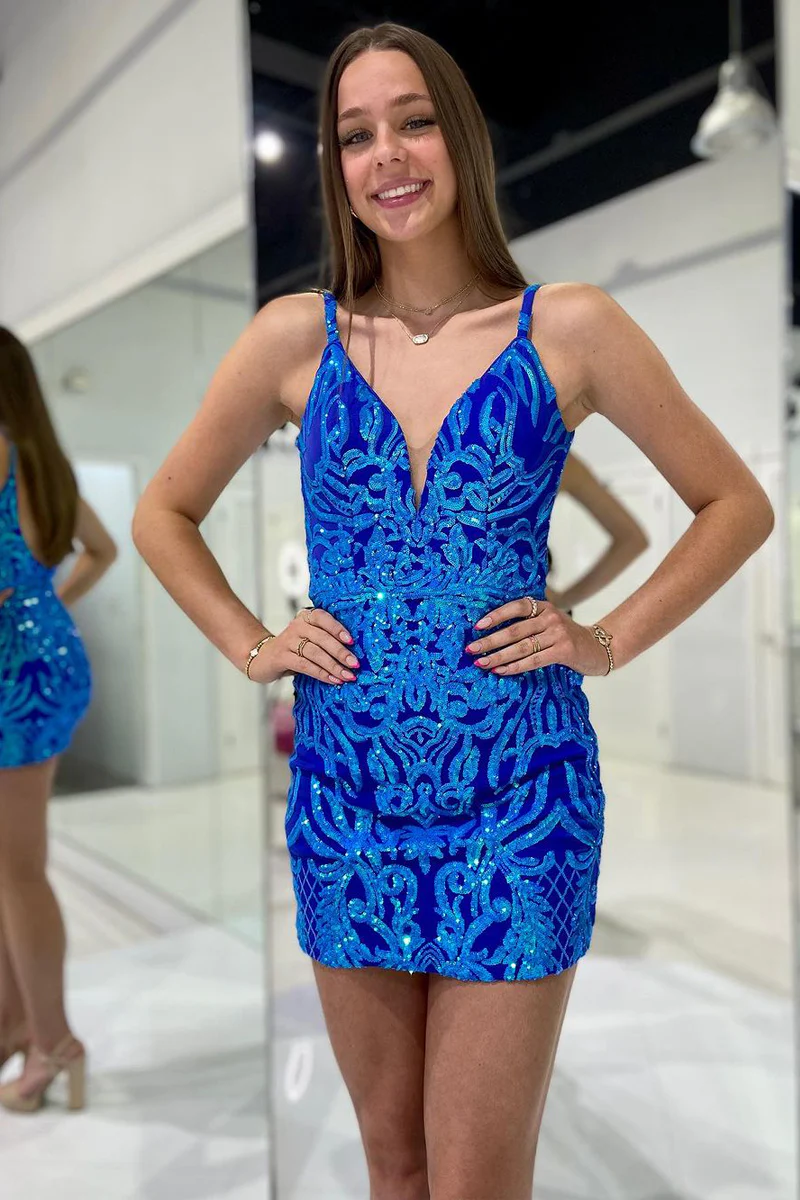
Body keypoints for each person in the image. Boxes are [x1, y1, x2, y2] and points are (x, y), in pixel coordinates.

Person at [132, 22, 774, 1199]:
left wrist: (604, 638)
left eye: (414, 120)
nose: (386, 154)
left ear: (460, 138)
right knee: (395, 1166)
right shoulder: (293, 340)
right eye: (353, 134)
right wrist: (253, 643)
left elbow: (733, 504)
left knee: (476, 1179)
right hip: (346, 798)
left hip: (520, 796)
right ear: (334, 166)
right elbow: (163, 513)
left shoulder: (566, 327)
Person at [0, 328, 117, 1113]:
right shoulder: (43, 462)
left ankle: (53, 1041)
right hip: (43, 661)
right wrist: (48, 605)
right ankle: (16, 1022)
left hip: (12, 673)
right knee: (11, 865)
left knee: (18, 868)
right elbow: (99, 550)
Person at [545, 451, 651, 617]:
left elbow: (633, 540)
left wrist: (562, 601)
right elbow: (633, 539)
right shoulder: (558, 459)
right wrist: (562, 601)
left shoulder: (557, 459)